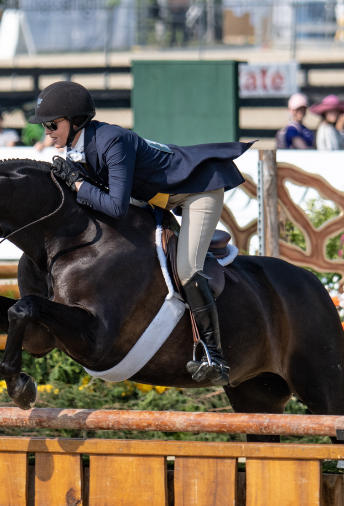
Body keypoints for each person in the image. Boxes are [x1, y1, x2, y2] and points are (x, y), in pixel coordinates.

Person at [34, 81, 249, 386]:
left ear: (76, 120)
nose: (48, 132)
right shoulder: (76, 148)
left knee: (187, 268)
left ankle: (213, 354)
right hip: (158, 201)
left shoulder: (113, 141)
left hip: (196, 191)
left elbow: (115, 207)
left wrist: (79, 185)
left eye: (52, 124)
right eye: (46, 126)